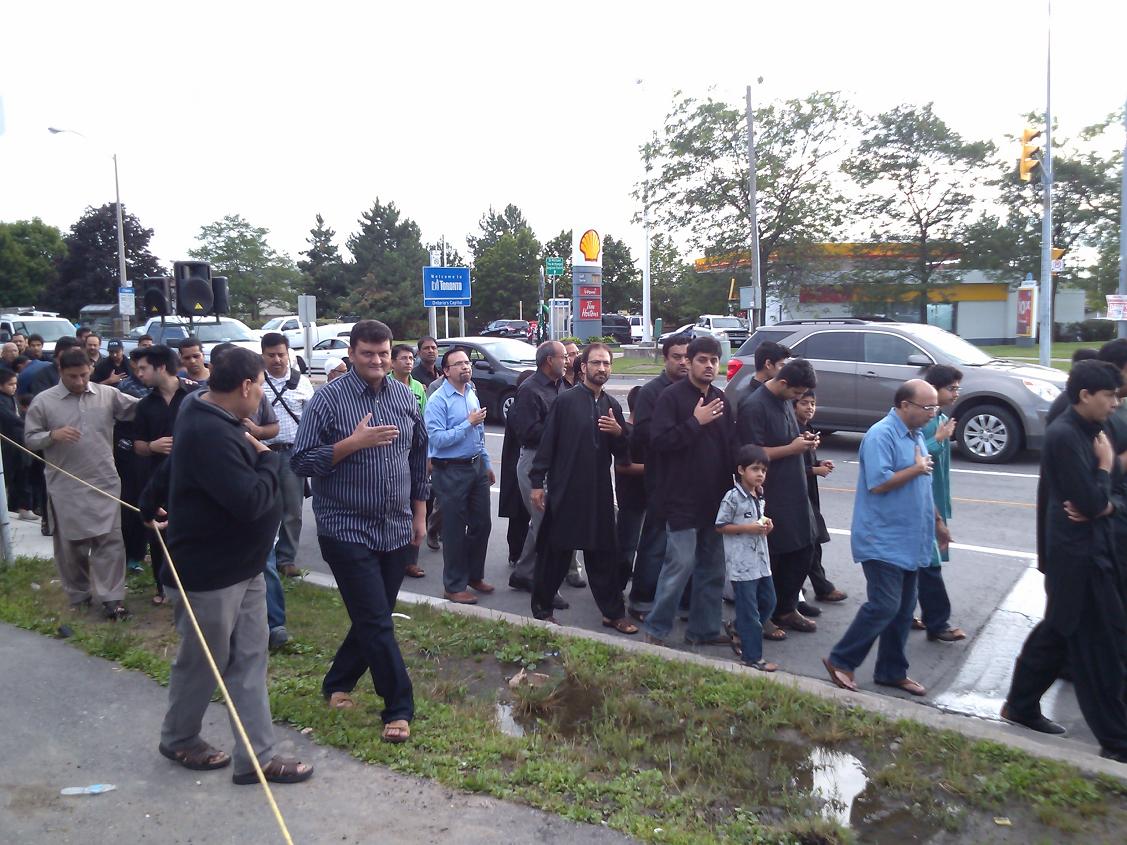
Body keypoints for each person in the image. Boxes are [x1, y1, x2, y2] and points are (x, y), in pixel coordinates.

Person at [138, 346, 313, 785]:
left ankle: (257, 758)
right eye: (261, 387)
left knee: (250, 659)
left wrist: (150, 498)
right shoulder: (208, 429)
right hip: (209, 574)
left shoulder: (205, 409)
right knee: (203, 661)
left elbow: (175, 462)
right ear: (247, 386)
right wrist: (269, 460)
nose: (262, 397)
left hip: (247, 566)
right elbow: (250, 502)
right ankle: (179, 737)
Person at [292, 320, 426, 743]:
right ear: (351, 354)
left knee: (375, 615)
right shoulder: (328, 399)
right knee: (374, 619)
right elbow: (300, 461)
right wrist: (352, 443)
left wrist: (419, 515)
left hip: (395, 526)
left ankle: (338, 682)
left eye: (383, 353)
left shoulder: (404, 396)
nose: (377, 361)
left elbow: (418, 456)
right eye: (368, 353)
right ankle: (398, 706)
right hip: (345, 526)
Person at [1002, 360, 1127, 761]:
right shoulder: (1064, 435)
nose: (1115, 403)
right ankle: (1117, 741)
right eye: (1109, 396)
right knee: (1098, 647)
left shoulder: (1097, 431)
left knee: (1058, 632)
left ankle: (1020, 705)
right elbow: (1090, 501)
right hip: (1076, 557)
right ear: (1085, 395)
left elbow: (1111, 498)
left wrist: (1106, 502)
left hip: (1097, 550)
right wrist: (1104, 471)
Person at [823, 379, 938, 698]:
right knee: (885, 605)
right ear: (904, 405)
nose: (932, 413)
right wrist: (915, 469)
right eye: (927, 407)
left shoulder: (916, 434)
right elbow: (878, 482)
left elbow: (923, 486)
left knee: (903, 610)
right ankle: (841, 660)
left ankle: (891, 671)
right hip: (882, 539)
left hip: (911, 539)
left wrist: (938, 523)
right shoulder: (880, 435)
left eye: (935, 407)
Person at [24, 347, 140, 619]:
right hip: (66, 484)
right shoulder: (44, 402)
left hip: (104, 480)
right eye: (72, 376)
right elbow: (30, 439)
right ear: (60, 371)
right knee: (71, 545)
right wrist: (52, 435)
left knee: (110, 541)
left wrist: (171, 391)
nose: (79, 381)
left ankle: (112, 599)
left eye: (84, 375)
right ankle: (78, 594)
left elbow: (138, 409)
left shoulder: (107, 394)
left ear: (91, 370)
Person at [529, 344, 633, 630]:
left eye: (606, 363)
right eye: (596, 363)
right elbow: (547, 444)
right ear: (583, 367)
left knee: (604, 554)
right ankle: (542, 610)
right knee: (555, 553)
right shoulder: (565, 401)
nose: (602, 368)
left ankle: (613, 613)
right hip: (566, 490)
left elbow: (623, 455)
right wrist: (537, 483)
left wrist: (619, 433)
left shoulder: (611, 406)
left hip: (599, 493)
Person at [643, 335, 736, 647]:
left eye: (714, 360)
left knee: (713, 569)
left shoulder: (721, 399)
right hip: (680, 498)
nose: (709, 366)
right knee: (679, 566)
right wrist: (695, 422)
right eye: (702, 360)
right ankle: (656, 628)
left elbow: (729, 446)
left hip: (716, 499)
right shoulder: (671, 398)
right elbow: (659, 442)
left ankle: (704, 630)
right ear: (690, 362)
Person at [738, 358, 821, 633]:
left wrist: (806, 441)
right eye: (797, 393)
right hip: (770, 491)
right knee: (773, 556)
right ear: (784, 382)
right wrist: (791, 448)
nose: (798, 399)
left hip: (795, 487)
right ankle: (764, 615)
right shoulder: (754, 406)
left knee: (804, 547)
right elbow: (751, 453)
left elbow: (789, 438)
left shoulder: (785, 400)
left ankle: (787, 608)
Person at [627, 333, 691, 622]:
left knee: (687, 544)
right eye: (677, 357)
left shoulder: (697, 390)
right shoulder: (652, 392)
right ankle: (641, 600)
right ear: (665, 359)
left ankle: (684, 601)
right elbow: (644, 435)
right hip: (662, 478)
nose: (683, 362)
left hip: (691, 481)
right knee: (656, 541)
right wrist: (686, 428)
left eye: (687, 357)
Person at [424, 347, 494, 604]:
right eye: (459, 364)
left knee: (482, 524)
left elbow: (479, 433)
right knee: (453, 529)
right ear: (446, 371)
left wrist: (486, 462)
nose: (466, 367)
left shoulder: (471, 392)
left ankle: (474, 575)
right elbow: (437, 440)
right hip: (450, 470)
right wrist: (468, 423)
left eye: (467, 362)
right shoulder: (438, 400)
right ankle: (453, 586)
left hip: (476, 466)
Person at [506, 341, 568, 611]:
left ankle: (524, 572)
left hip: (557, 461)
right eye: (563, 356)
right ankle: (543, 583)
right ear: (548, 361)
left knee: (544, 522)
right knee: (545, 523)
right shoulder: (529, 390)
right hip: (534, 462)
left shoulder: (561, 386)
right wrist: (560, 427)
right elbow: (527, 432)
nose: (567, 360)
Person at [133, 345, 197, 604]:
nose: (139, 374)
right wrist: (152, 446)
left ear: (161, 367)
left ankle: (193, 586)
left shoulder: (195, 395)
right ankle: (163, 587)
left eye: (143, 368)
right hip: (158, 480)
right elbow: (137, 445)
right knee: (159, 535)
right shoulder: (144, 405)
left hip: (194, 479)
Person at [913, 365, 967, 643]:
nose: (956, 393)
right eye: (951, 388)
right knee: (929, 564)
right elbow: (917, 458)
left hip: (935, 500)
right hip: (923, 503)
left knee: (920, 564)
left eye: (957, 388)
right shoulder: (927, 422)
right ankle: (938, 622)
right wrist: (938, 439)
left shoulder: (942, 418)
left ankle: (907, 613)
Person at [716, 444, 777, 672]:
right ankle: (752, 657)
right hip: (741, 564)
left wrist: (765, 526)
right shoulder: (733, 497)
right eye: (755, 469)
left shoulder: (759, 495)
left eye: (763, 470)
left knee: (769, 601)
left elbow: (757, 522)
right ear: (741, 470)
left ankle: (737, 627)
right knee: (750, 611)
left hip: (760, 561)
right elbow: (721, 526)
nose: (760, 474)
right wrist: (747, 528)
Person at [260, 333, 315, 579]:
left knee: (293, 509)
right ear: (263, 355)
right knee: (262, 506)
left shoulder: (302, 383)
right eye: (271, 355)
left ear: (288, 354)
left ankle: (286, 558)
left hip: (292, 453)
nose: (277, 360)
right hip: (261, 453)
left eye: (281, 354)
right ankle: (263, 557)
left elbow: (312, 419)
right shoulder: (255, 381)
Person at [794, 390, 846, 605]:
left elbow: (806, 461)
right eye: (804, 403)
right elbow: (790, 466)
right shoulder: (793, 430)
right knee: (810, 541)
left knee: (812, 541)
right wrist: (815, 470)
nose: (809, 407)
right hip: (797, 495)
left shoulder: (808, 428)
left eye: (812, 403)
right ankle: (819, 587)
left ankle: (810, 585)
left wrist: (819, 464)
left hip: (809, 492)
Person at [499, 370, 535, 565]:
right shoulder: (519, 408)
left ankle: (518, 553)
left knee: (521, 513)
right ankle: (516, 553)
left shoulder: (521, 405)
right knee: (519, 513)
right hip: (518, 464)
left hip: (518, 463)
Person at [614, 386, 646, 594]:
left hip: (646, 495)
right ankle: (616, 587)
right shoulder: (626, 432)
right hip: (630, 497)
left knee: (640, 543)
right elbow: (622, 466)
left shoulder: (645, 431)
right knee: (627, 544)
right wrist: (653, 468)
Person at [1, 368, 35, 520]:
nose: (14, 387)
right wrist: (26, 424)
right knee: (7, 478)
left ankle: (25, 507)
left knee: (23, 476)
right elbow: (10, 418)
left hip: (19, 442)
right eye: (10, 384)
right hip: (7, 444)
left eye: (15, 384)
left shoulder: (12, 398)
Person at [391, 344, 427, 414]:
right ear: (392, 362)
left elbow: (424, 413)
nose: (408, 362)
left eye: (411, 358)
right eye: (404, 358)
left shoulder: (418, 386)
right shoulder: (384, 384)